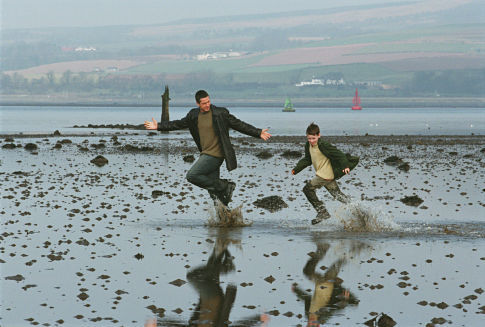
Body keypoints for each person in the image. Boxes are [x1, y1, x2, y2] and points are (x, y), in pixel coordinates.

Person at [144, 90, 271, 207]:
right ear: (198, 103)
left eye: (208, 102)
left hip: (216, 154)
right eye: (204, 103)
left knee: (192, 175)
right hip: (205, 153)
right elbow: (178, 124)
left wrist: (257, 132)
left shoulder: (220, 113)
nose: (207, 105)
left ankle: (226, 186)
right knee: (215, 194)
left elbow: (239, 124)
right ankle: (226, 220)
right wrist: (159, 126)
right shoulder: (193, 115)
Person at [291, 123, 359, 225]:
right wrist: (296, 169)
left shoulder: (324, 145)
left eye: (313, 138)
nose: (311, 141)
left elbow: (339, 154)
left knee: (307, 189)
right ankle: (359, 210)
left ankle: (322, 212)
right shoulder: (308, 145)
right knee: (338, 196)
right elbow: (308, 159)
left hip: (325, 174)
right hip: (326, 176)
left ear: (319, 135)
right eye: (309, 138)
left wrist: (345, 166)